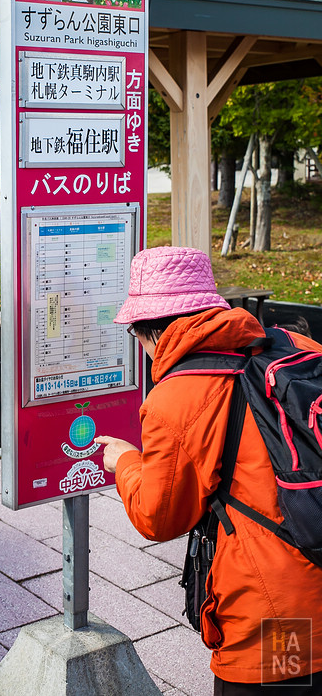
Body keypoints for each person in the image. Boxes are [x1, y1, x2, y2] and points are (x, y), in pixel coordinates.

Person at [96, 246, 322, 694]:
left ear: (152, 330)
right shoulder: (299, 346)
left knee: (288, 681)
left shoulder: (176, 399)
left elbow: (159, 517)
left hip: (279, 614)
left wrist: (125, 462)